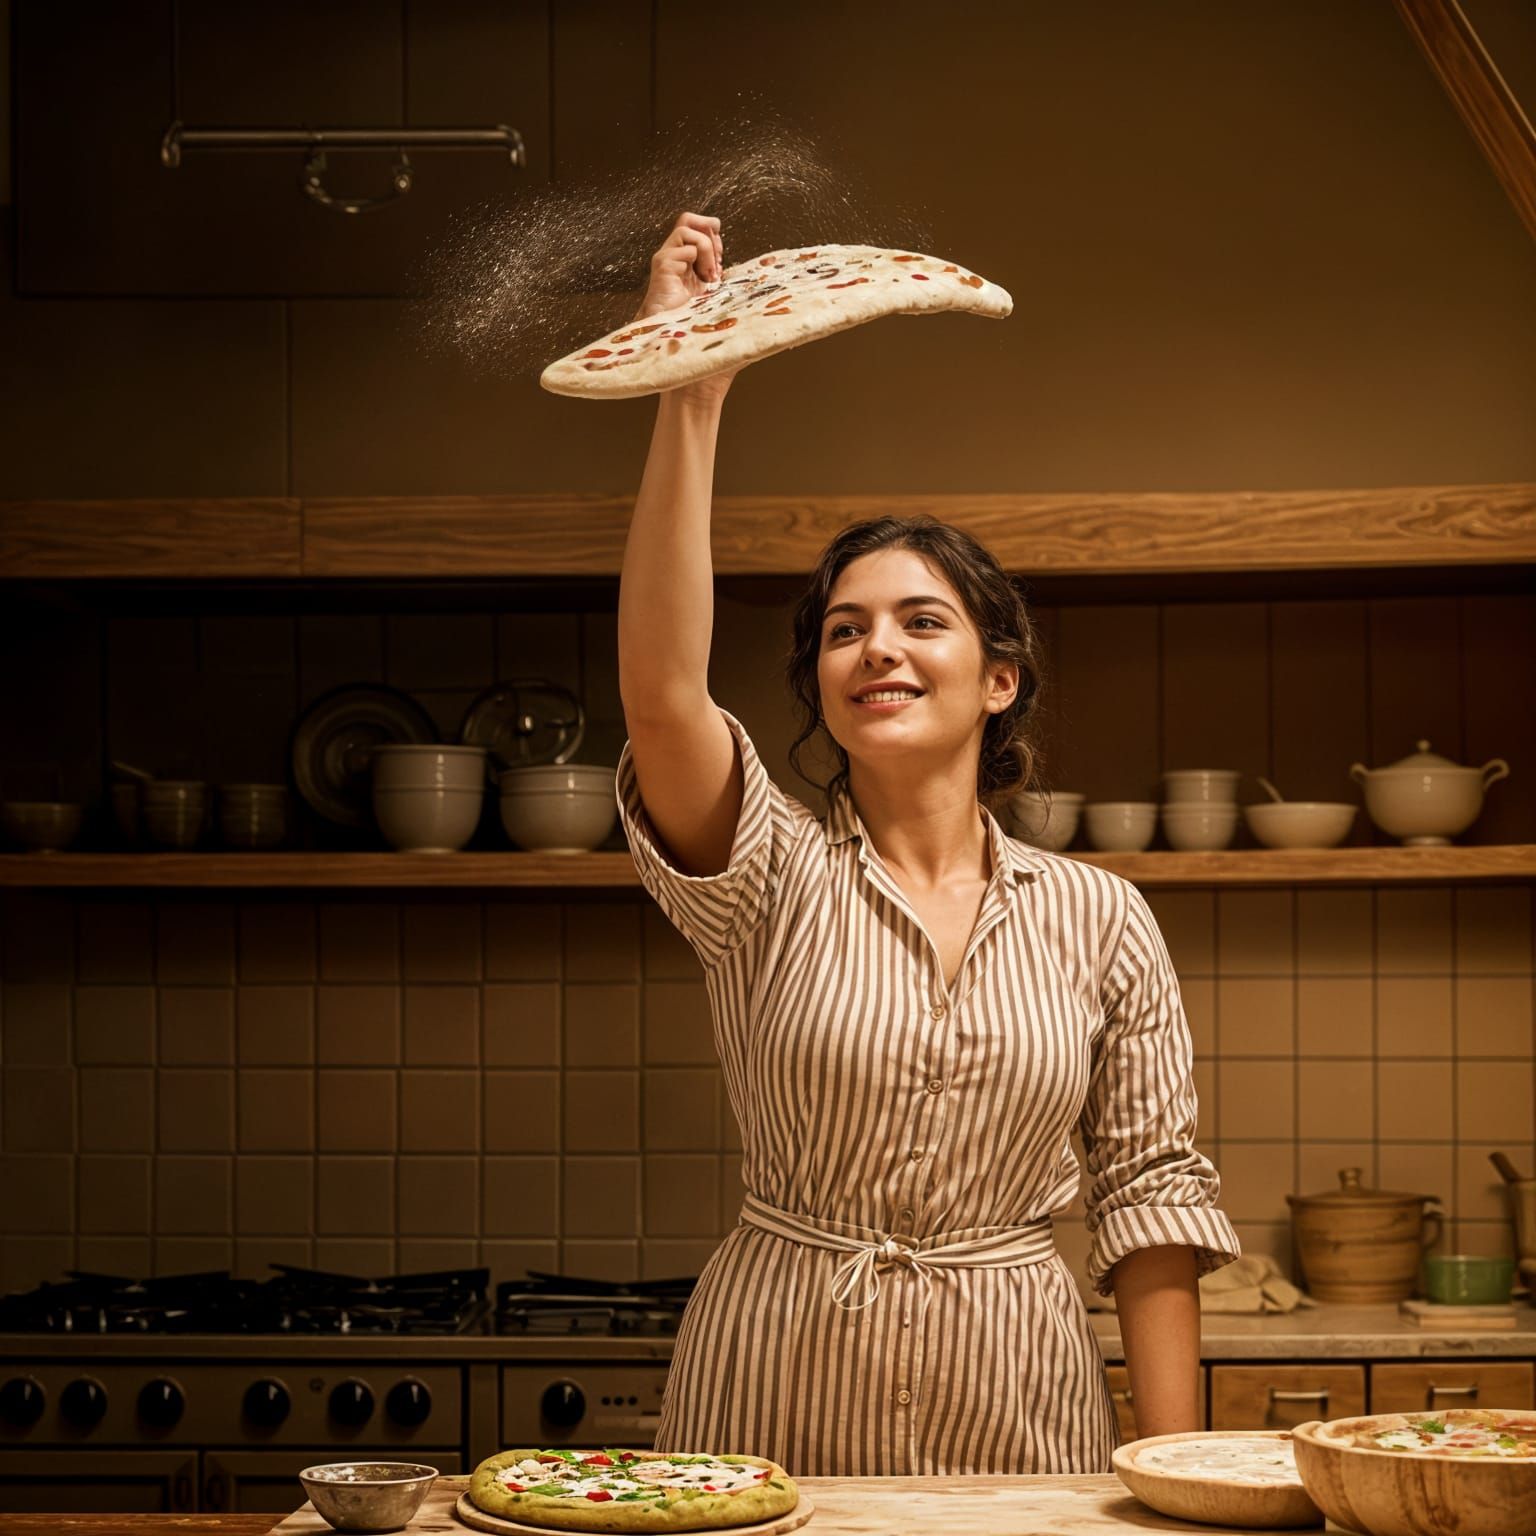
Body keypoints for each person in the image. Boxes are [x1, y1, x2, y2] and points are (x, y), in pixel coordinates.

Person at [614, 211, 1239, 1476]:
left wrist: (1185, 1480)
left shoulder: (1100, 918)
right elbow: (665, 696)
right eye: (843, 632)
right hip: (775, 1375)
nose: (877, 650)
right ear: (822, 682)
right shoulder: (766, 879)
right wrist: (691, 387)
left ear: (999, 678)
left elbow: (1152, 1198)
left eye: (920, 621)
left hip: (1016, 1381)